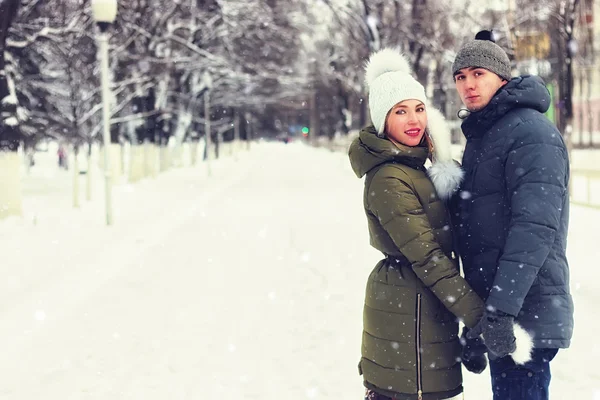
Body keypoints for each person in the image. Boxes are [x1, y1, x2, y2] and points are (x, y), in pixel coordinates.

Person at [349, 48, 530, 400]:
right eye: (400, 112)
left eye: (419, 109)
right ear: (382, 119)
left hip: (422, 312)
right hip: (410, 317)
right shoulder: (390, 178)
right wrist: (481, 321)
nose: (413, 120)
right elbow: (430, 259)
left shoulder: (416, 168)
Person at [451, 30, 574, 399]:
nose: (469, 85)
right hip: (504, 310)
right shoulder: (487, 135)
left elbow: (534, 229)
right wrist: (478, 324)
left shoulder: (530, 134)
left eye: (478, 74)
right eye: (461, 77)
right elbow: (482, 233)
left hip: (526, 310)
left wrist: (500, 312)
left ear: (501, 77)